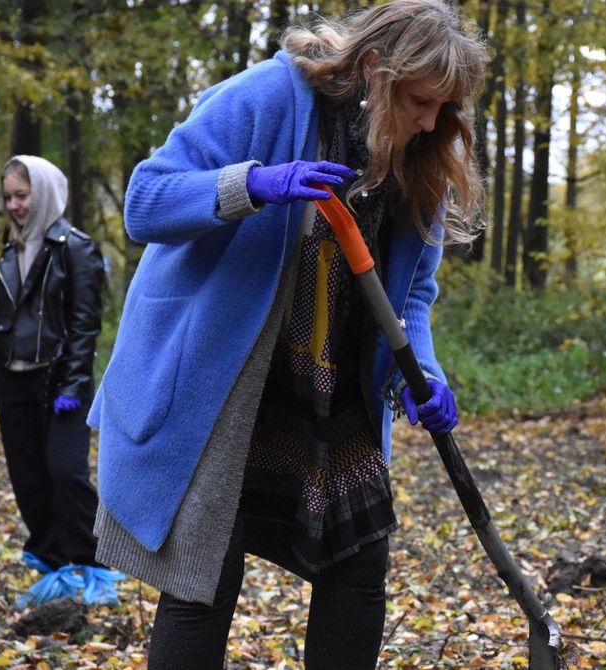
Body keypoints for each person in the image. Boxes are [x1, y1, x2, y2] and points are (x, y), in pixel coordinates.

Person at [88, 1, 486, 666]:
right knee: (202, 585)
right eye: (420, 101)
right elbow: (145, 202)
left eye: (443, 110)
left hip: (334, 395)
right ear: (372, 70)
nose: (429, 121)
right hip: (224, 391)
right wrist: (255, 184)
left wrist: (425, 369)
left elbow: (412, 291)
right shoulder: (270, 96)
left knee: (359, 572)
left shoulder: (421, 156)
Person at [0, 155, 116, 606]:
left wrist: (74, 383)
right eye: (8, 197)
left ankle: (93, 562)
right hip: (15, 382)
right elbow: (4, 326)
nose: (15, 205)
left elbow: (85, 324)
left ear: (43, 194)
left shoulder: (75, 248)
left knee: (66, 471)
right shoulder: (10, 250)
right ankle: (56, 562)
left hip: (61, 383)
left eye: (23, 196)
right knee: (29, 477)